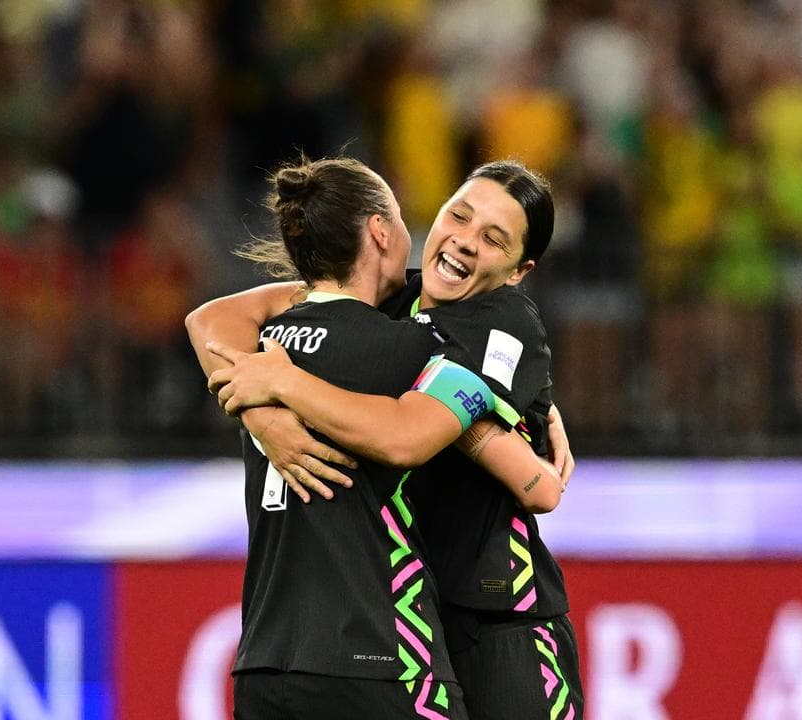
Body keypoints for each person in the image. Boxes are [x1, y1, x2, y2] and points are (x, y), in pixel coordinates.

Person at [194, 160, 585, 720]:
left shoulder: (503, 323)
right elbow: (214, 318)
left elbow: (410, 437)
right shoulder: (392, 297)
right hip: (408, 614)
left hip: (500, 621)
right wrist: (262, 417)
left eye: (494, 239)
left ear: (519, 271)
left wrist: (283, 382)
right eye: (460, 216)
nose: (465, 240)